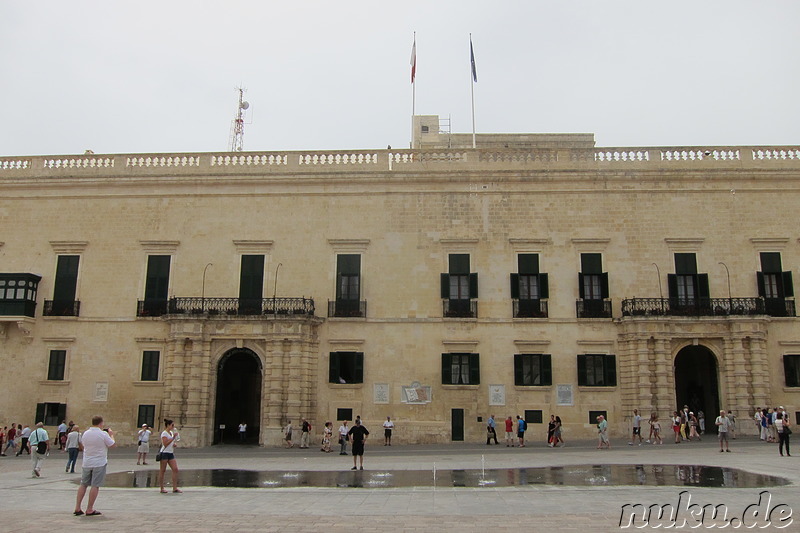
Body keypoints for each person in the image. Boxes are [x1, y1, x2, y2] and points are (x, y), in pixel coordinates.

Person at [73, 416, 115, 516]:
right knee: (95, 485)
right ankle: (89, 508)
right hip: (99, 462)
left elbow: (83, 445)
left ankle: (77, 507)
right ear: (101, 423)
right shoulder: (103, 434)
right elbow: (112, 445)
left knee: (83, 484)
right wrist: (111, 435)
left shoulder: (86, 433)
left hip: (87, 462)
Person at [158, 418, 181, 493]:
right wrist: (173, 438)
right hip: (164, 453)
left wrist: (173, 444)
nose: (173, 426)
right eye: (172, 425)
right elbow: (165, 443)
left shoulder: (171, 433)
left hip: (170, 453)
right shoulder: (164, 433)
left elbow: (170, 442)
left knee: (175, 469)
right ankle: (162, 488)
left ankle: (175, 487)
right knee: (163, 470)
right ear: (168, 425)